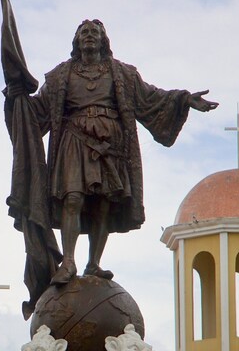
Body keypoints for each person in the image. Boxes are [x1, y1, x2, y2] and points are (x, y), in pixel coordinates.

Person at [16, 20, 218, 284]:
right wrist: (17, 98)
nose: (89, 36)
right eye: (84, 33)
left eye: (95, 32)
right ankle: (68, 261)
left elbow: (150, 97)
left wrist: (184, 99)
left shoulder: (122, 73)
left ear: (103, 40)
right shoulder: (60, 76)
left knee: (103, 204)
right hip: (73, 142)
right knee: (72, 198)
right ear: (76, 41)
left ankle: (94, 263)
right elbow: (38, 110)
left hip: (111, 145)